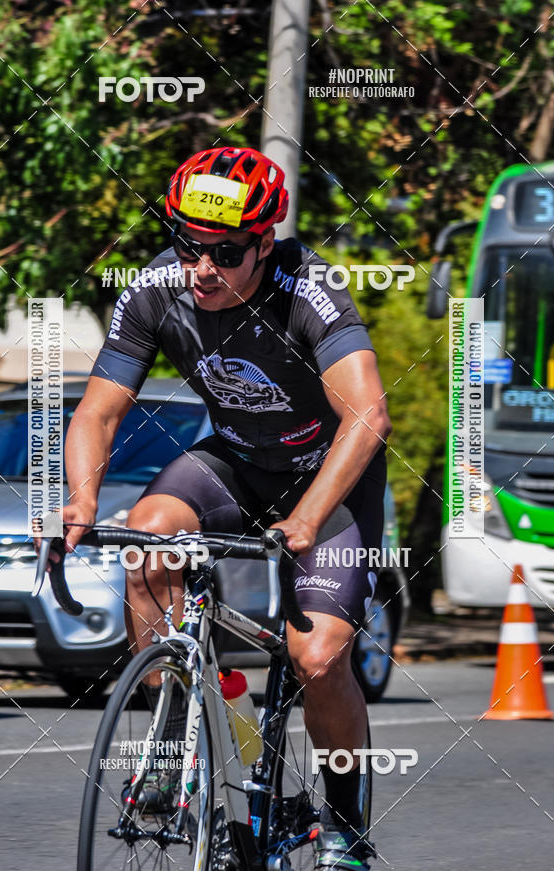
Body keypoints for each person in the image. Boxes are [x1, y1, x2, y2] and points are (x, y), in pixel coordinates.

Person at [61, 146, 391, 869]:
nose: (202, 266)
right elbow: (96, 413)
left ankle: (343, 823)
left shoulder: (309, 288)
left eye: (225, 250)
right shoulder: (156, 288)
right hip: (237, 462)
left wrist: (306, 519)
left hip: (327, 479)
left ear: (264, 242)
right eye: (187, 243)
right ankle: (170, 741)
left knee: (318, 652)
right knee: (146, 542)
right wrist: (82, 497)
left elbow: (367, 414)